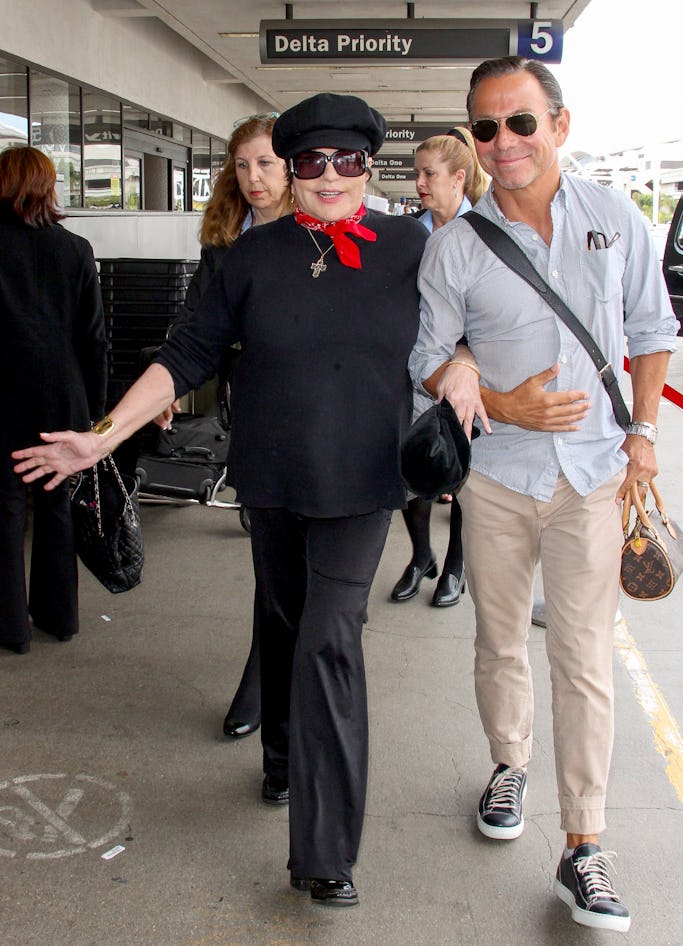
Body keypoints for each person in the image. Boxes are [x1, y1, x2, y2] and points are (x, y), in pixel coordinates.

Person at [13, 92, 428, 907]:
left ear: (368, 167)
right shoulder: (249, 258)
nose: (331, 176)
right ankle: (280, 760)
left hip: (362, 483)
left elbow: (458, 330)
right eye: (312, 162)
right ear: (294, 174)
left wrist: (472, 373)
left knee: (329, 641)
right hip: (272, 475)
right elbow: (186, 352)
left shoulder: (413, 247)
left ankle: (323, 852)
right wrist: (102, 434)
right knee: (280, 626)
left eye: (349, 161)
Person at [409, 57, 679, 933]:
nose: (504, 143)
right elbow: (427, 359)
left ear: (559, 126)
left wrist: (642, 433)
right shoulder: (456, 243)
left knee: (585, 661)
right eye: (485, 129)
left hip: (595, 479)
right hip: (496, 479)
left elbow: (651, 330)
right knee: (499, 643)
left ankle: (583, 843)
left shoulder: (615, 218)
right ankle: (508, 763)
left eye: (520, 122)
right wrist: (496, 401)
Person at [170, 113, 295, 740]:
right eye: (242, 165)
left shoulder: (319, 231)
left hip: (317, 412)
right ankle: (264, 678)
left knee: (314, 572)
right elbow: (196, 326)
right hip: (251, 412)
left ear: (292, 167)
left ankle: (293, 680)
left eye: (266, 163)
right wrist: (165, 386)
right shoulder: (224, 239)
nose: (253, 177)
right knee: (269, 558)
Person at [0, 146, 107, 654]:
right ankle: (58, 616)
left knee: (3, 509)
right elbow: (94, 338)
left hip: (1, 396)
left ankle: (9, 629)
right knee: (55, 505)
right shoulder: (76, 248)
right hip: (61, 396)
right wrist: (98, 417)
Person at [390, 127, 489, 608]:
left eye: (429, 173)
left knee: (464, 473)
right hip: (413, 370)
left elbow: (494, 312)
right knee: (415, 468)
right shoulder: (411, 234)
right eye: (417, 173)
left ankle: (455, 565)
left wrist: (466, 357)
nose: (420, 183)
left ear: (459, 178)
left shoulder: (486, 235)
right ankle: (420, 556)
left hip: (469, 377)